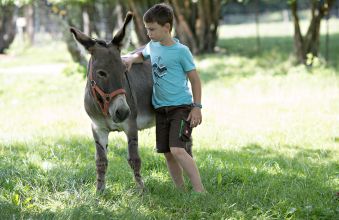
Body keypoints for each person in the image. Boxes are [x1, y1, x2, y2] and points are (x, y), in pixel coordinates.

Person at [123, 3, 204, 192]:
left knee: (178, 150)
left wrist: (197, 107)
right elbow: (142, 55)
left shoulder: (181, 51)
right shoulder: (153, 46)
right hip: (161, 109)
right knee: (168, 153)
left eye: (152, 29)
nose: (148, 33)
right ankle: (180, 190)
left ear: (166, 28)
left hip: (181, 108)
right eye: (147, 29)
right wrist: (130, 59)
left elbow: (195, 80)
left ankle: (200, 190)